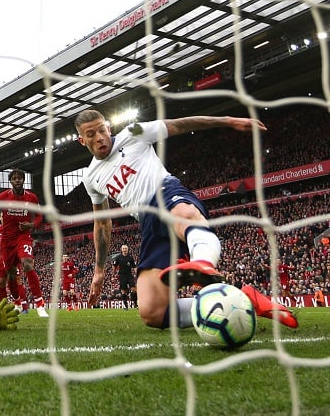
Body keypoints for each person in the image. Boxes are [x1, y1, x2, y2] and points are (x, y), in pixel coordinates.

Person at [73, 109, 298, 329]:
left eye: (102, 130)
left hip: (166, 193)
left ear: (108, 127)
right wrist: (99, 270)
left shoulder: (134, 132)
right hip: (148, 223)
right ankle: (245, 301)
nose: (100, 137)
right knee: (152, 311)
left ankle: (202, 262)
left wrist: (228, 120)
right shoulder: (91, 178)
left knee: (184, 215)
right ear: (82, 140)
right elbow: (102, 223)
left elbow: (181, 124)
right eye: (91, 135)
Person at [0, 170, 49, 317]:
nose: (17, 180)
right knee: (10, 275)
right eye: (14, 178)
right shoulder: (3, 197)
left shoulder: (31, 197)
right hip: (7, 241)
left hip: (23, 237)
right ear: (10, 181)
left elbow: (40, 217)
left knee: (27, 263)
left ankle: (40, 304)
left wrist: (31, 225)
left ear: (23, 180)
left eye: (20, 178)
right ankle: (17, 301)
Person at [112, 244, 137, 310]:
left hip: (129, 275)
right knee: (123, 291)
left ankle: (135, 304)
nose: (125, 250)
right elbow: (114, 266)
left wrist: (137, 274)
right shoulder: (118, 258)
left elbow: (134, 267)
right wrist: (113, 275)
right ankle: (125, 305)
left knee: (134, 289)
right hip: (122, 276)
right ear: (121, 249)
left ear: (127, 250)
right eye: (123, 248)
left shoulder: (130, 258)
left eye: (126, 248)